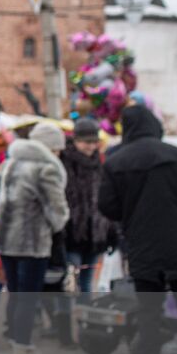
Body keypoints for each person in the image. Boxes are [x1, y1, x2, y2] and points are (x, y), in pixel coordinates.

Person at [98, 106, 177, 354]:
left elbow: (107, 206)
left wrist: (132, 211)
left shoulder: (116, 161)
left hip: (143, 246)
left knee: (148, 312)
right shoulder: (176, 155)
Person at [0, 122, 69, 354]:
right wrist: (53, 225)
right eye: (57, 149)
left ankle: (17, 346)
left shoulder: (9, 163)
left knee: (15, 295)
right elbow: (57, 210)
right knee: (28, 297)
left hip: (5, 240)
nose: (58, 154)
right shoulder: (46, 168)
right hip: (32, 242)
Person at [61, 116, 112, 296]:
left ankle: (84, 319)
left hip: (96, 234)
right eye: (85, 142)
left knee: (87, 283)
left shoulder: (100, 163)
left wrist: (109, 230)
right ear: (75, 140)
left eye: (93, 142)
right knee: (68, 281)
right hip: (71, 233)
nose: (90, 147)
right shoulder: (65, 162)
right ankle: (63, 320)